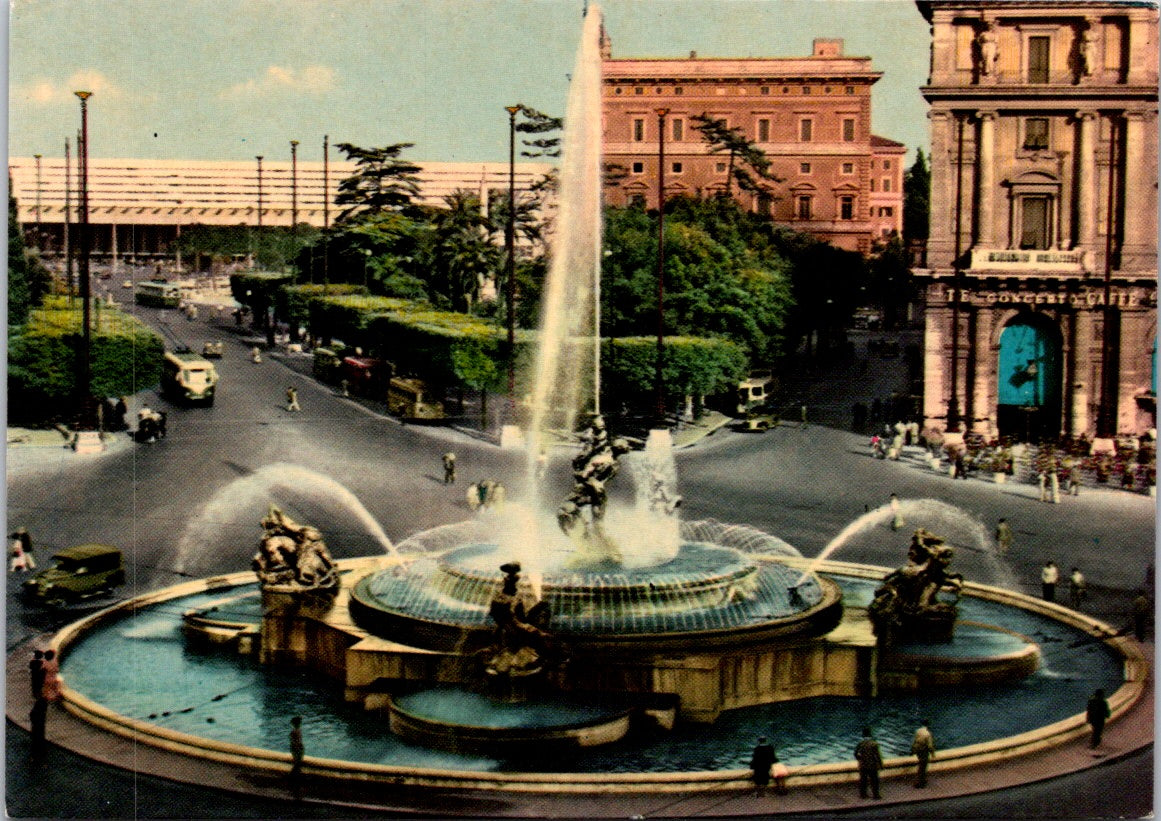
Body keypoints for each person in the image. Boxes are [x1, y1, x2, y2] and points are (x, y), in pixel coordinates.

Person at [854, 727, 883, 799]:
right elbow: (878, 755)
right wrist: (881, 764)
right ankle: (876, 795)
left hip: (863, 765)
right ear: (870, 734)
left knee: (863, 780)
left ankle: (863, 795)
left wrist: (859, 759)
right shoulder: (874, 744)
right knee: (874, 780)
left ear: (863, 735)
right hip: (872, 765)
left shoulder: (860, 743)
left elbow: (855, 753)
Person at [911, 719, 936, 788]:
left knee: (921, 765)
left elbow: (914, 741)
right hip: (924, 751)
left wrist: (912, 750)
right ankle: (920, 782)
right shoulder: (928, 734)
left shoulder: (918, 731)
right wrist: (933, 753)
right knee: (923, 767)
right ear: (928, 725)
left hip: (918, 750)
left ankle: (922, 780)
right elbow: (930, 746)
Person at [288, 715, 305, 799]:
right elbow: (296, 742)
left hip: (297, 750)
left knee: (297, 765)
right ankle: (295, 782)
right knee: (297, 765)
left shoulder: (295, 731)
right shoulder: (296, 731)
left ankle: (294, 781)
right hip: (297, 750)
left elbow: (293, 742)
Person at [29, 697, 48, 762]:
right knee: (39, 734)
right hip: (39, 722)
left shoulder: (41, 702)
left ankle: (36, 754)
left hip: (37, 722)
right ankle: (39, 754)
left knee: (37, 734)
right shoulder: (42, 702)